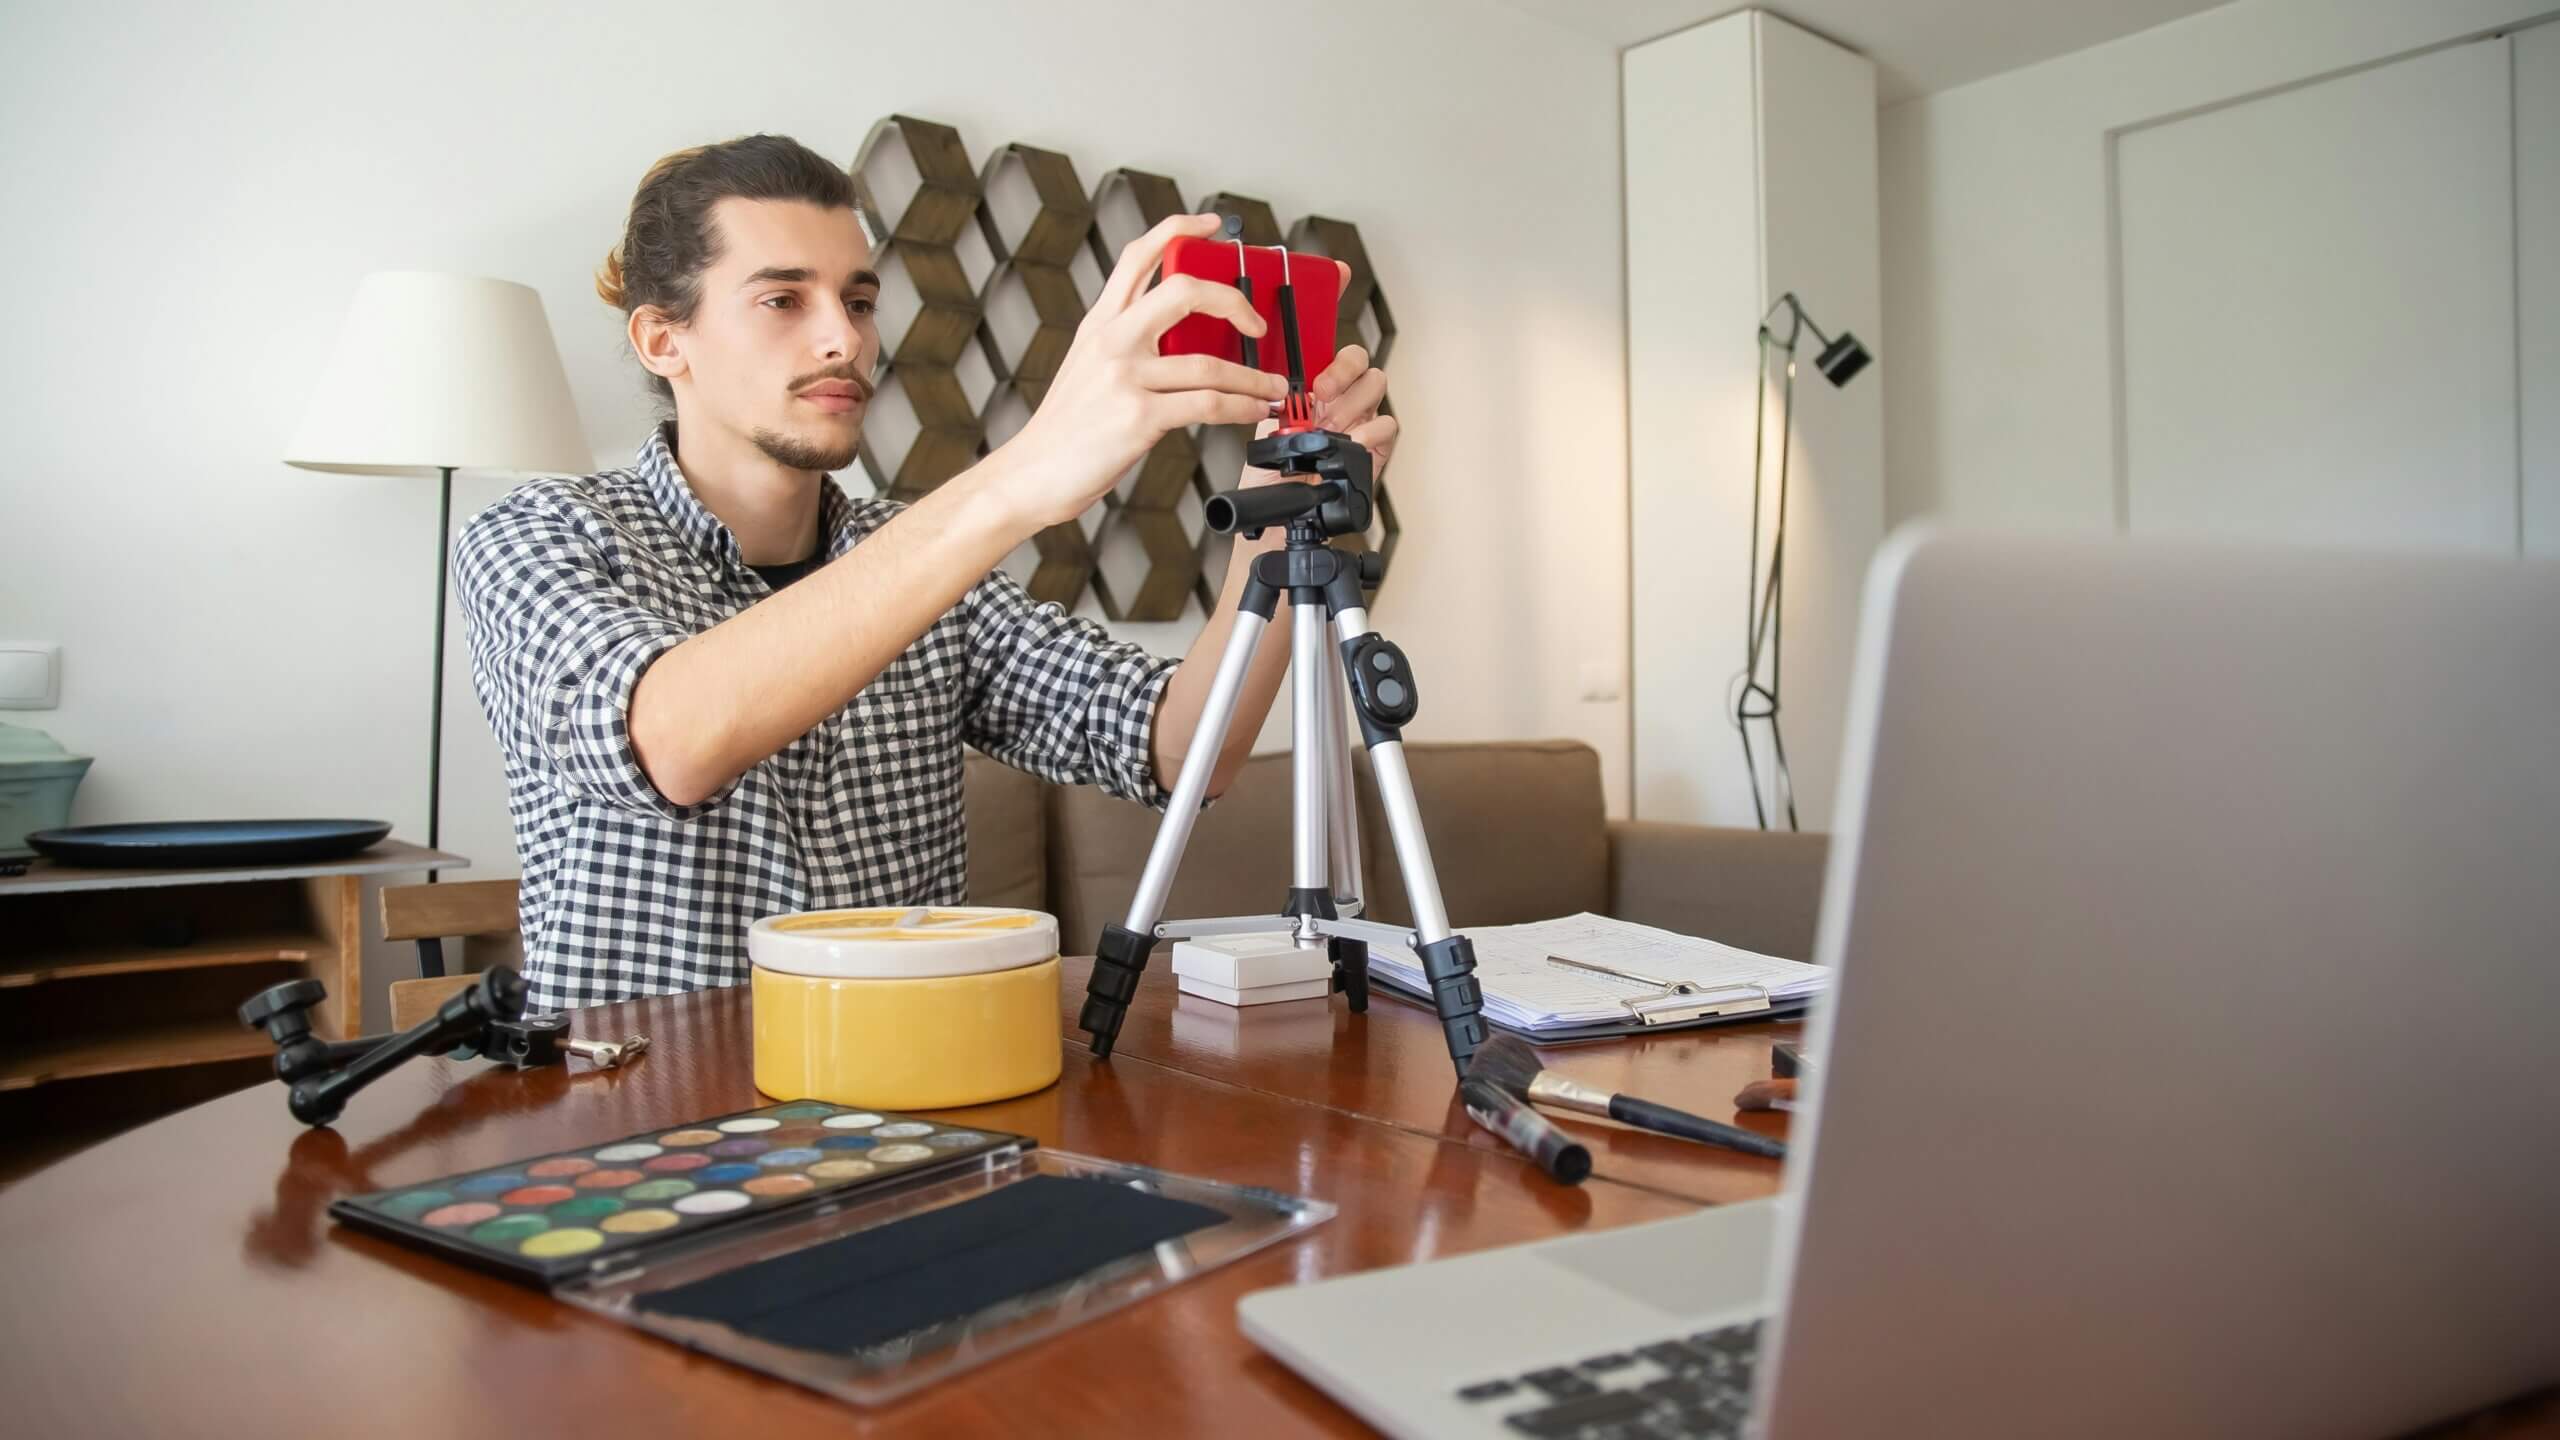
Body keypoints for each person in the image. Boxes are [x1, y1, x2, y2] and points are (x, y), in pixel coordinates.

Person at [454, 134, 1397, 1011]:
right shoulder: (540, 534)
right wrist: (1024, 474)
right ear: (665, 340)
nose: (845, 341)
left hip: (907, 1097)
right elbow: (673, 742)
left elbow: (1185, 749)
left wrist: (1280, 525)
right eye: (784, 300)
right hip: (647, 1118)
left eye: (858, 302)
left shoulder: (916, 552)